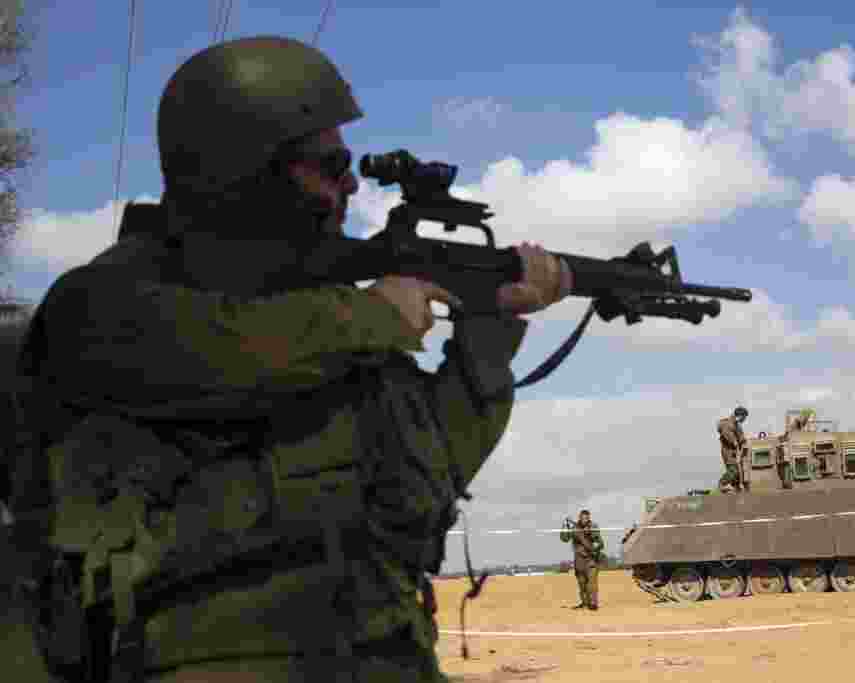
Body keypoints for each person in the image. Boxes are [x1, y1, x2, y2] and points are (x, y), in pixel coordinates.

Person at [6, 36, 572, 683]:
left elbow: (429, 470)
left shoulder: (337, 338)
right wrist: (374, 316)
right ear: (241, 169)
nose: (352, 182)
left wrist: (490, 330)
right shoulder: (104, 306)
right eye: (330, 163)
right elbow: (217, 350)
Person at [559, 509, 604, 610]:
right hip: (579, 560)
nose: (585, 520)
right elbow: (564, 539)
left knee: (592, 584)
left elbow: (601, 544)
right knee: (582, 583)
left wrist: (591, 538)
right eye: (583, 518)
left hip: (591, 559)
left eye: (587, 518)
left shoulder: (593, 527)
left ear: (589, 518)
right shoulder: (575, 528)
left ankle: (593, 604)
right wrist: (565, 526)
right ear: (579, 517)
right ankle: (585, 602)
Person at [717, 406, 748, 493]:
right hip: (728, 451)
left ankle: (735, 488)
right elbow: (725, 432)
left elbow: (741, 437)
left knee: (739, 472)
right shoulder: (727, 423)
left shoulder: (737, 425)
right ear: (741, 415)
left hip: (735, 452)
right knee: (733, 469)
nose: (744, 420)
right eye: (744, 417)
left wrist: (744, 442)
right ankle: (722, 484)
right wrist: (734, 442)